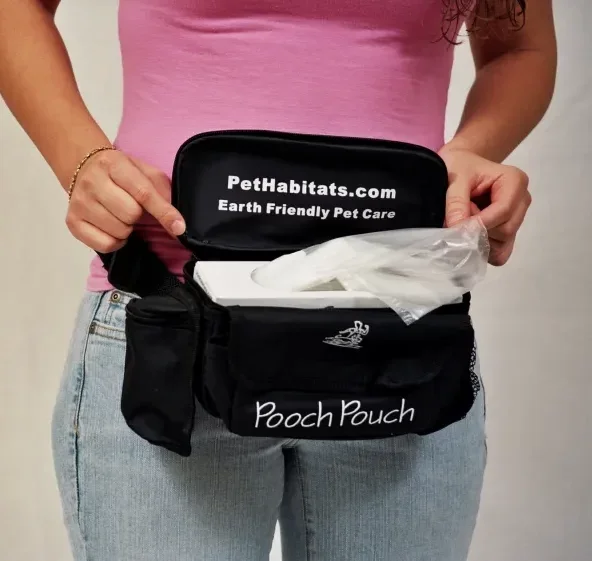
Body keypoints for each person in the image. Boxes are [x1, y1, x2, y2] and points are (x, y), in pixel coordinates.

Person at [0, 1, 556, 560]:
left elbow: (519, 49)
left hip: (397, 332)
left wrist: (470, 154)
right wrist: (81, 159)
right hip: (171, 318)